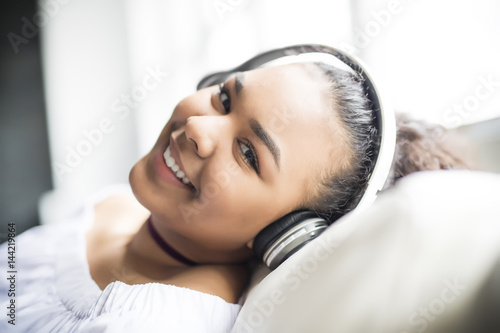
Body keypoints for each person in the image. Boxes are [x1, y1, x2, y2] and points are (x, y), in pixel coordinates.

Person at [0, 57, 472, 332]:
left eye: (248, 153)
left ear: (288, 233)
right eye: (225, 99)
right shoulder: (115, 206)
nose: (199, 128)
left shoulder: (153, 323)